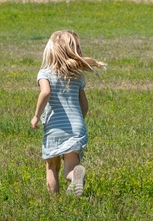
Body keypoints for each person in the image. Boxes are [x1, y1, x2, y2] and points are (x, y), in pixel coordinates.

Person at [30, 30, 106, 196]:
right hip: (76, 127)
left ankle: (54, 203)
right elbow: (84, 105)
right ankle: (75, 176)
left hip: (55, 128)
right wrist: (79, 120)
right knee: (70, 167)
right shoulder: (77, 77)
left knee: (52, 166)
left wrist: (36, 116)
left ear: (51, 51)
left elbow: (45, 93)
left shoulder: (45, 73)